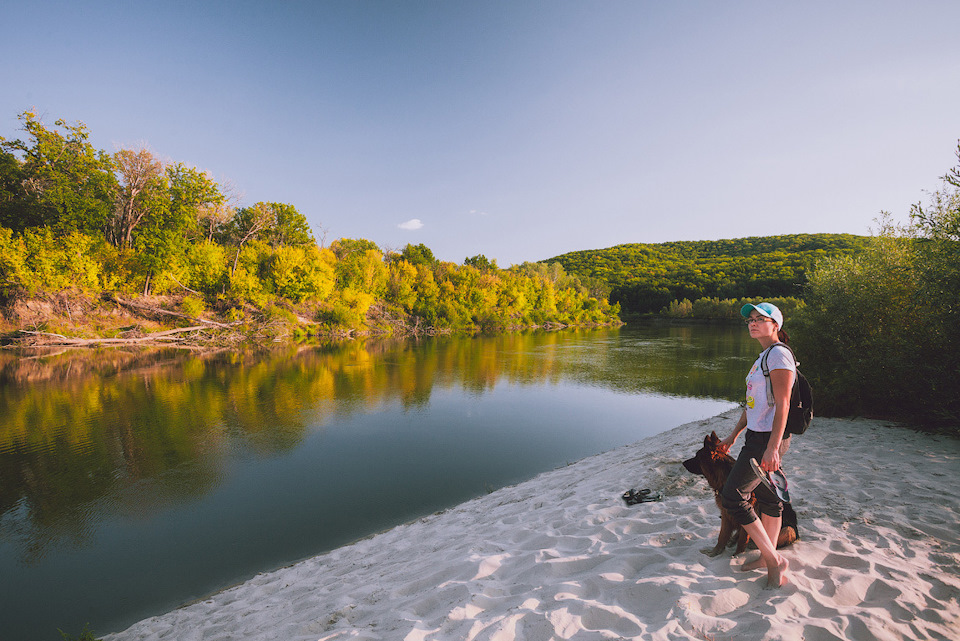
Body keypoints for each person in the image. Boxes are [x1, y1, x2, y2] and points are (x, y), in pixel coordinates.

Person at [718, 301, 794, 588]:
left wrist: (773, 447)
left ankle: (773, 560)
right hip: (757, 435)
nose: (753, 323)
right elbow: (753, 405)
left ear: (776, 325)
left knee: (733, 496)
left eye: (761, 319)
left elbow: (783, 403)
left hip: (767, 438)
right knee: (770, 499)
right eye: (750, 319)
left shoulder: (778, 356)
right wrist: (734, 434)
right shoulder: (763, 357)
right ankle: (768, 555)